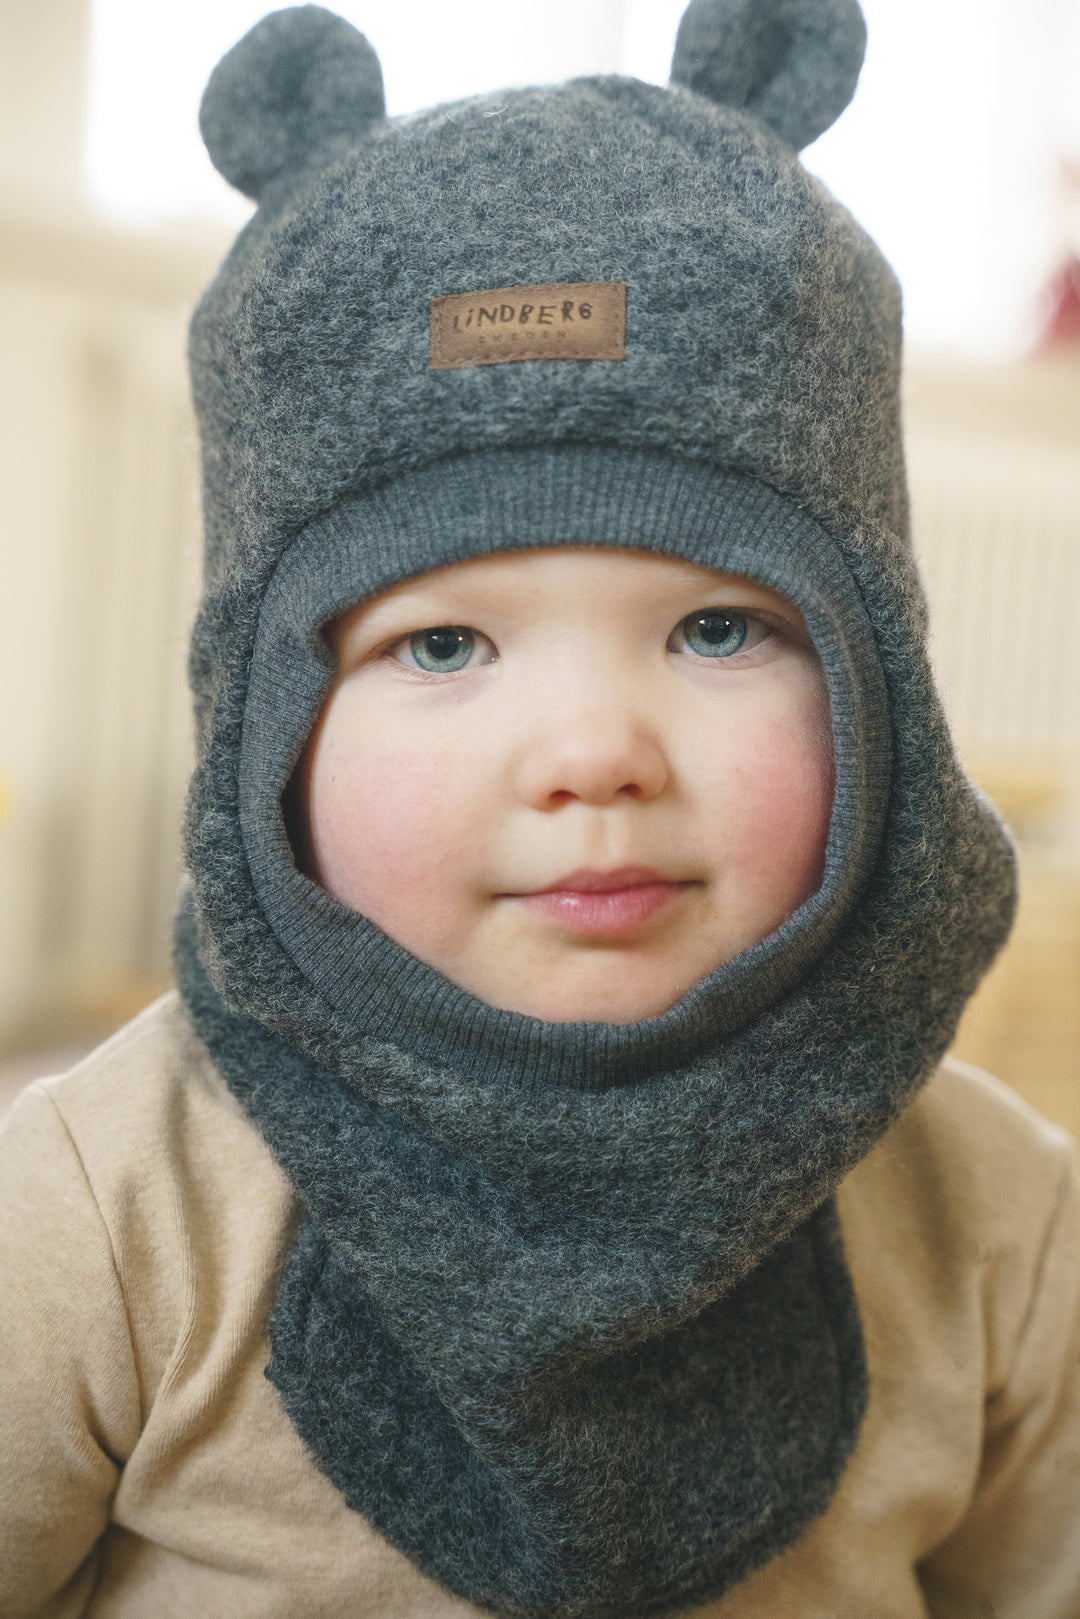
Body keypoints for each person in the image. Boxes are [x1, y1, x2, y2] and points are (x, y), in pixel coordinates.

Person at [2, 1, 1079, 1615]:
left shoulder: (1001, 1219)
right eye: (442, 646)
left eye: (719, 631)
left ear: (883, 695)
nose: (594, 753)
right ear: (266, 738)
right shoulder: (102, 1211)